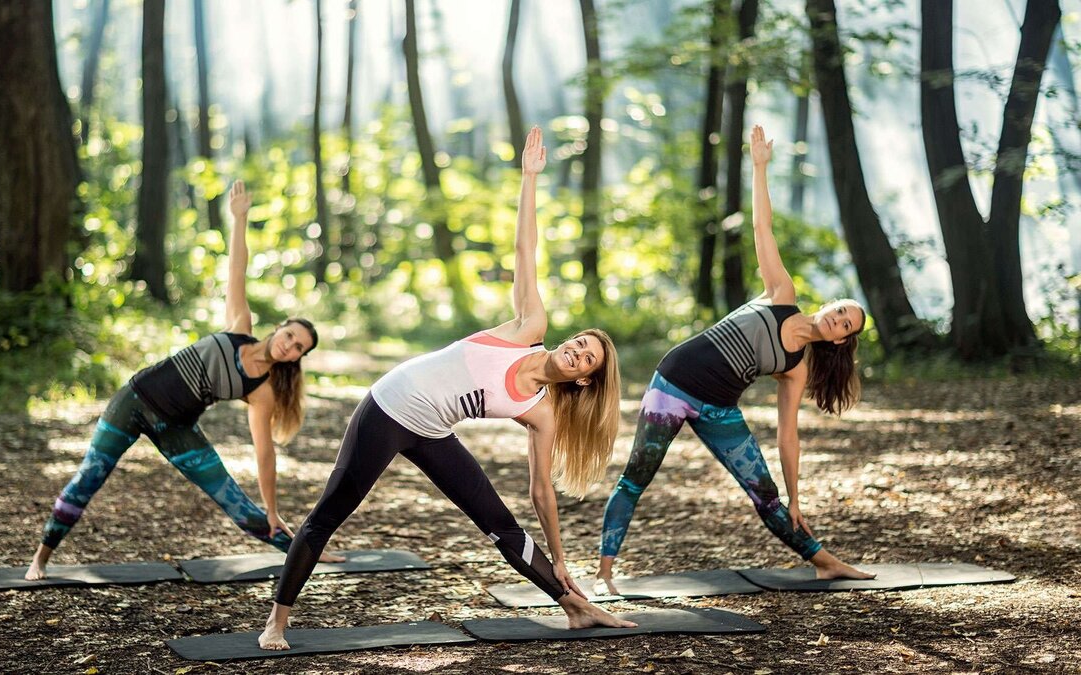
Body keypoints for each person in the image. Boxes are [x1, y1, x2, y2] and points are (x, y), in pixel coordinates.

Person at [258, 127, 635, 650]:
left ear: (586, 378)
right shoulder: (527, 331)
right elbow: (526, 249)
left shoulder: (542, 412)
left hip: (432, 431)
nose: (574, 350)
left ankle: (573, 606)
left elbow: (540, 491)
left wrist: (562, 556)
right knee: (329, 513)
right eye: (577, 342)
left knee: (498, 522)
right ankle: (276, 622)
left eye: (585, 357)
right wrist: (529, 179)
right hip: (389, 408)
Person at [595, 125, 873, 591]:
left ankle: (825, 560)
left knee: (765, 496)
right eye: (841, 311)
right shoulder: (780, 293)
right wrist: (760, 166)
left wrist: (795, 496)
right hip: (672, 386)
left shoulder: (797, 366)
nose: (839, 321)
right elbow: (761, 228)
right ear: (829, 305)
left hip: (719, 409)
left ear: (842, 341)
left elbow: (788, 437)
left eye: (847, 325)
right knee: (635, 478)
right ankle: (603, 573)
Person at [25, 180, 341, 580]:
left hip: (176, 427)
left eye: (299, 349)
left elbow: (265, 455)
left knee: (235, 503)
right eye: (290, 336)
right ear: (280, 329)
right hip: (133, 402)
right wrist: (239, 220)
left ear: (298, 359)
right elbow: (237, 268)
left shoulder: (261, 392)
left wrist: (273, 510)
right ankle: (40, 559)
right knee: (89, 477)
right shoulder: (239, 326)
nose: (289, 346)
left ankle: (306, 552)